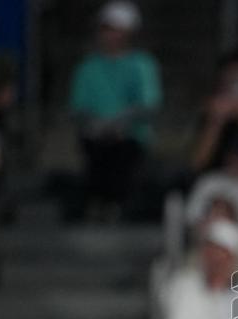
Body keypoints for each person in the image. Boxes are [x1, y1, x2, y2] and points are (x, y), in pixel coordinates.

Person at [69, 1, 162, 219]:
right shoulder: (87, 67)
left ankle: (118, 206)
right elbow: (78, 108)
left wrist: (120, 124)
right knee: (97, 150)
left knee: (122, 154)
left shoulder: (142, 64)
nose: (111, 36)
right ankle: (97, 204)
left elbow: (149, 104)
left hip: (130, 135)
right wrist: (99, 126)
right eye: (107, 29)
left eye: (117, 30)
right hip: (95, 134)